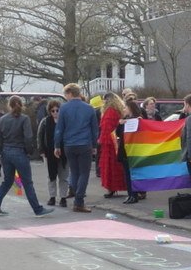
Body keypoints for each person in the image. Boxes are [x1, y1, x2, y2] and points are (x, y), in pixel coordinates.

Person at [0, 95, 54, 217]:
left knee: (7, 181)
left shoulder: (3, 119)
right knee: (27, 182)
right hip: (19, 152)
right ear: (21, 105)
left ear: (9, 105)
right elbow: (28, 137)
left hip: (6, 152)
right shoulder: (24, 119)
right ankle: (37, 209)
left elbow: (0, 139)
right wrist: (29, 151)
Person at [53, 83, 98, 213]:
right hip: (84, 144)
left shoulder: (64, 108)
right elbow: (94, 129)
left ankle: (74, 191)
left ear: (70, 93)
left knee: (74, 171)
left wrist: (57, 145)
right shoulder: (89, 108)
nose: (65, 97)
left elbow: (59, 129)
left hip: (69, 144)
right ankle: (79, 201)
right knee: (84, 173)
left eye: (65, 94)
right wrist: (94, 145)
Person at [36, 99, 68, 207]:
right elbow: (40, 136)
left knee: (64, 176)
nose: (55, 112)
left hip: (64, 153)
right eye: (52, 110)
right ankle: (52, 197)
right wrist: (41, 150)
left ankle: (63, 197)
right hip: (49, 153)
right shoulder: (45, 121)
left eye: (57, 110)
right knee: (51, 176)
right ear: (49, 111)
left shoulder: (65, 121)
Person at [97, 93, 127, 198]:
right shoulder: (118, 111)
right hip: (117, 142)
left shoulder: (109, 112)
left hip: (110, 144)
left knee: (110, 167)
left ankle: (111, 188)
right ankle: (119, 187)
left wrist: (101, 140)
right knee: (118, 167)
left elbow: (107, 129)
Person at [120, 98, 146, 204]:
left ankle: (134, 195)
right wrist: (120, 124)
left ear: (130, 108)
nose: (124, 109)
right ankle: (130, 194)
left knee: (133, 174)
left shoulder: (138, 119)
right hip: (125, 150)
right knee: (127, 174)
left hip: (134, 151)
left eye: (125, 107)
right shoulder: (125, 119)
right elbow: (119, 134)